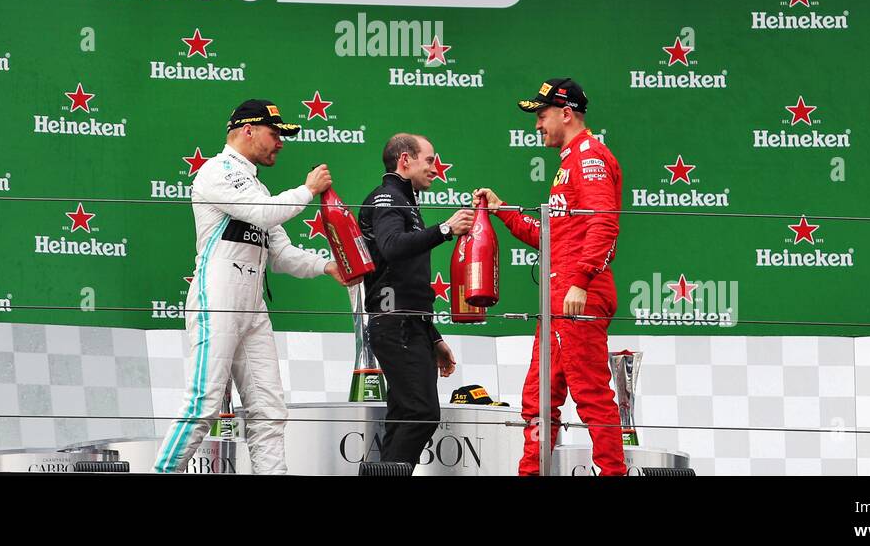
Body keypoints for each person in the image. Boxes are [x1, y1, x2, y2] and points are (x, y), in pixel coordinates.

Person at [152, 99, 354, 474]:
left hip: (252, 304)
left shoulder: (256, 186)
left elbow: (281, 254)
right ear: (248, 130)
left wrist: (327, 267)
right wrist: (308, 190)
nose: (280, 142)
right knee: (203, 404)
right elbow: (265, 214)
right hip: (219, 297)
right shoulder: (216, 171)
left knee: (269, 410)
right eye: (275, 134)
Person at [474, 78, 627, 476]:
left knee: (592, 396)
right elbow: (551, 236)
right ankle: (531, 472)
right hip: (559, 295)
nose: (537, 125)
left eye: (541, 116)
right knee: (539, 398)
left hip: (579, 294)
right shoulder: (570, 161)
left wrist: (580, 279)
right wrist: (502, 209)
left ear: (565, 113)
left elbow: (603, 222)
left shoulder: (589, 156)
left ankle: (614, 473)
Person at [359, 133, 473, 468]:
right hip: (396, 324)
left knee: (405, 415)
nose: (436, 169)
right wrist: (446, 229)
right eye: (429, 160)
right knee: (421, 412)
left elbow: (408, 280)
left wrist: (434, 336)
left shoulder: (405, 201)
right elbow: (393, 246)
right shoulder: (386, 198)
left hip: (410, 324)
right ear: (404, 160)